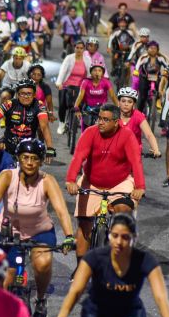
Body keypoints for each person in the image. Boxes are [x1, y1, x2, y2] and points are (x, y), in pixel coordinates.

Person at [0, 139, 75, 317]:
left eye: (35, 158)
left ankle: (41, 298)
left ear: (41, 161)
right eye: (25, 157)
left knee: (43, 263)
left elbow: (61, 210)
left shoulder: (47, 181)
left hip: (39, 230)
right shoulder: (7, 176)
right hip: (9, 231)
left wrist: (69, 236)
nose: (29, 162)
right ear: (18, 159)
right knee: (5, 280)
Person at [66, 104, 145, 264]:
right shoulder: (90, 132)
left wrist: (140, 187)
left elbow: (136, 162)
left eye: (105, 120)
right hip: (91, 182)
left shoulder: (127, 136)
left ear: (116, 122)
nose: (100, 122)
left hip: (120, 183)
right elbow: (78, 157)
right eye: (99, 118)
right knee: (84, 225)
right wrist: (71, 180)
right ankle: (80, 267)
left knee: (123, 212)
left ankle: (120, 251)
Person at [0, 79, 56, 159]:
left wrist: (50, 148)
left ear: (34, 95)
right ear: (17, 95)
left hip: (28, 149)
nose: (26, 97)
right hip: (8, 146)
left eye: (29, 94)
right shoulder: (9, 104)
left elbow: (44, 127)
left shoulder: (39, 105)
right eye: (22, 94)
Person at [54, 40, 91, 134]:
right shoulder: (69, 58)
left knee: (83, 104)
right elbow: (62, 71)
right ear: (74, 48)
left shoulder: (87, 59)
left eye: (81, 48)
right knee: (62, 104)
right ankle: (61, 124)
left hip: (80, 86)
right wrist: (59, 83)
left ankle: (79, 120)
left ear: (84, 49)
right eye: (77, 48)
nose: (79, 50)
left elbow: (90, 73)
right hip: (67, 85)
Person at [117, 87, 161, 157]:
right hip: (116, 153)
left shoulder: (138, 116)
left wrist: (156, 150)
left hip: (134, 153)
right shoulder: (112, 115)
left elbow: (149, 134)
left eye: (129, 102)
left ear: (134, 104)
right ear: (118, 103)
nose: (126, 104)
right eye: (123, 101)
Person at [73, 64, 118, 130]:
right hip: (87, 108)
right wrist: (76, 108)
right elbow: (80, 96)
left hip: (102, 108)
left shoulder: (106, 82)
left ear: (102, 73)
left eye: (99, 71)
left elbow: (113, 96)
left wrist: (119, 107)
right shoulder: (85, 82)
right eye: (95, 70)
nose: (97, 72)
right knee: (84, 132)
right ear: (91, 72)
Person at [132, 41, 167, 107]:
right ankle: (139, 111)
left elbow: (167, 67)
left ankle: (159, 102)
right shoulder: (143, 58)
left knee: (160, 91)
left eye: (155, 48)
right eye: (151, 48)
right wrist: (136, 71)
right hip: (144, 78)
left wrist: (167, 71)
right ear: (147, 49)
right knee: (142, 97)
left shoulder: (161, 58)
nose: (153, 50)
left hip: (156, 78)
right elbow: (137, 66)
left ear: (157, 50)